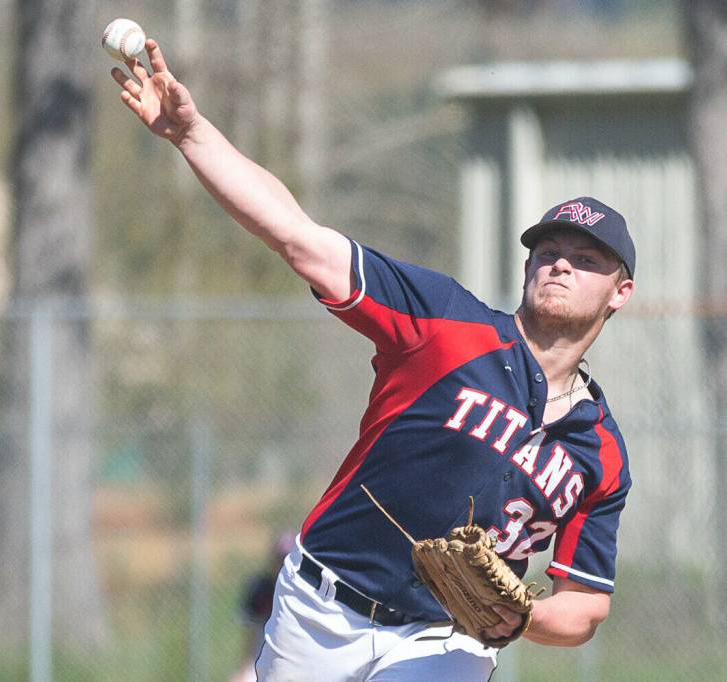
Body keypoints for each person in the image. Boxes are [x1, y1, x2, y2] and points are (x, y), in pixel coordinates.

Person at [112, 40, 635, 682]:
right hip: (321, 607)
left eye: (586, 260)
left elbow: (585, 605)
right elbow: (298, 238)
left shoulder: (600, 449)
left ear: (620, 293)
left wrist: (522, 616)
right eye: (549, 250)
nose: (561, 263)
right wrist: (192, 135)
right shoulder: (448, 324)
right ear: (526, 265)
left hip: (446, 641)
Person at [228, 533, 295, 682]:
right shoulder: (260, 589)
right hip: (261, 655)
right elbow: (250, 634)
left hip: (293, 658)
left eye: (287, 560)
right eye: (280, 559)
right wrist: (244, 668)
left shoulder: (301, 591)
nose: (282, 565)